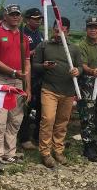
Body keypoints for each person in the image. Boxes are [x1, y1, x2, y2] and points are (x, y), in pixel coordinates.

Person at [32, 17, 82, 168]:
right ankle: (45, 152)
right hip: (49, 89)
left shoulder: (74, 48)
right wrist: (44, 66)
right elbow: (35, 66)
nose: (58, 31)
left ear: (67, 31)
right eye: (56, 28)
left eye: (62, 29)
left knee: (62, 122)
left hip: (68, 91)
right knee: (47, 119)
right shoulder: (44, 46)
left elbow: (80, 66)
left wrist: (77, 71)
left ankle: (58, 150)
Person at [0, 4, 31, 173]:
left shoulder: (24, 37)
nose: (15, 17)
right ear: (5, 16)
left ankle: (9, 152)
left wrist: (27, 84)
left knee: (15, 119)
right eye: (12, 14)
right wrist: (13, 71)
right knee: (0, 120)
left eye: (17, 14)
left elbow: (27, 62)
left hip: (19, 83)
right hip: (1, 80)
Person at [77, 16, 97, 162]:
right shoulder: (82, 45)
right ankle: (87, 145)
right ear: (86, 29)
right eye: (90, 27)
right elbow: (83, 65)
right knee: (87, 115)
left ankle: (96, 141)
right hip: (88, 82)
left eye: (96, 27)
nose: (93, 30)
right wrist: (92, 71)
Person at [18, 8, 44, 150]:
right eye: (35, 18)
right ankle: (24, 138)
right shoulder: (22, 34)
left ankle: (38, 136)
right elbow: (22, 55)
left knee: (41, 106)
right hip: (27, 74)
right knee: (25, 107)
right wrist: (33, 52)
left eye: (39, 18)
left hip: (40, 75)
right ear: (27, 20)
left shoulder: (40, 35)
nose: (38, 20)